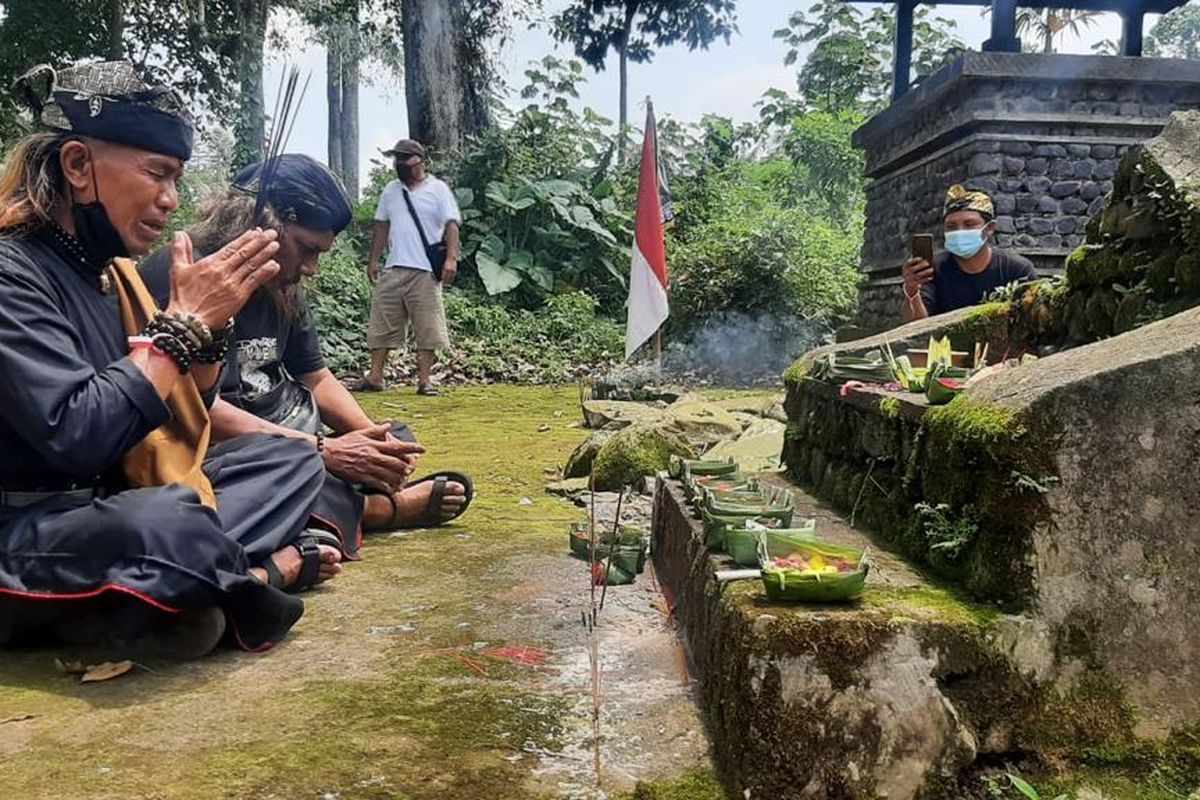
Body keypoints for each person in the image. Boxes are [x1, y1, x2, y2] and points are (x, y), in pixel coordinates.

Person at [0, 61, 342, 659]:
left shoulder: (111, 277)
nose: (170, 200)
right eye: (157, 174)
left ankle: (152, 597)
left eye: (177, 178)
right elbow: (78, 435)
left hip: (116, 503)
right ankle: (261, 577)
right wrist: (181, 326)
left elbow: (186, 422)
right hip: (30, 528)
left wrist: (210, 329)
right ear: (78, 166)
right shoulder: (12, 271)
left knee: (287, 461)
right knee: (166, 525)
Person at [140, 154, 471, 549]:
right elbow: (194, 408)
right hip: (227, 447)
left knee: (392, 434)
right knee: (288, 470)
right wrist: (324, 451)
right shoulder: (185, 274)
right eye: (306, 249)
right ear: (261, 224)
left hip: (288, 427)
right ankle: (377, 510)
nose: (312, 267)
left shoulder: (285, 283)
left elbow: (315, 375)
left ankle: (337, 498)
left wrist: (373, 439)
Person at [357, 139, 460, 396]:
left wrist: (451, 258)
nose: (399, 163)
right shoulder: (391, 190)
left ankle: (425, 380)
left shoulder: (438, 189)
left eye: (404, 158)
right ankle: (376, 376)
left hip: (425, 270)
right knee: (382, 323)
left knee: (427, 326)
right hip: (394, 267)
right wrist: (373, 260)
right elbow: (381, 226)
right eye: (396, 158)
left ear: (419, 160)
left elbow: (451, 225)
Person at [901, 185, 1039, 321]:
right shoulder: (932, 269)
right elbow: (917, 327)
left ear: (989, 228)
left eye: (969, 224)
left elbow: (1033, 321)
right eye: (951, 227)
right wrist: (912, 291)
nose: (959, 231)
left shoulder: (1017, 270)